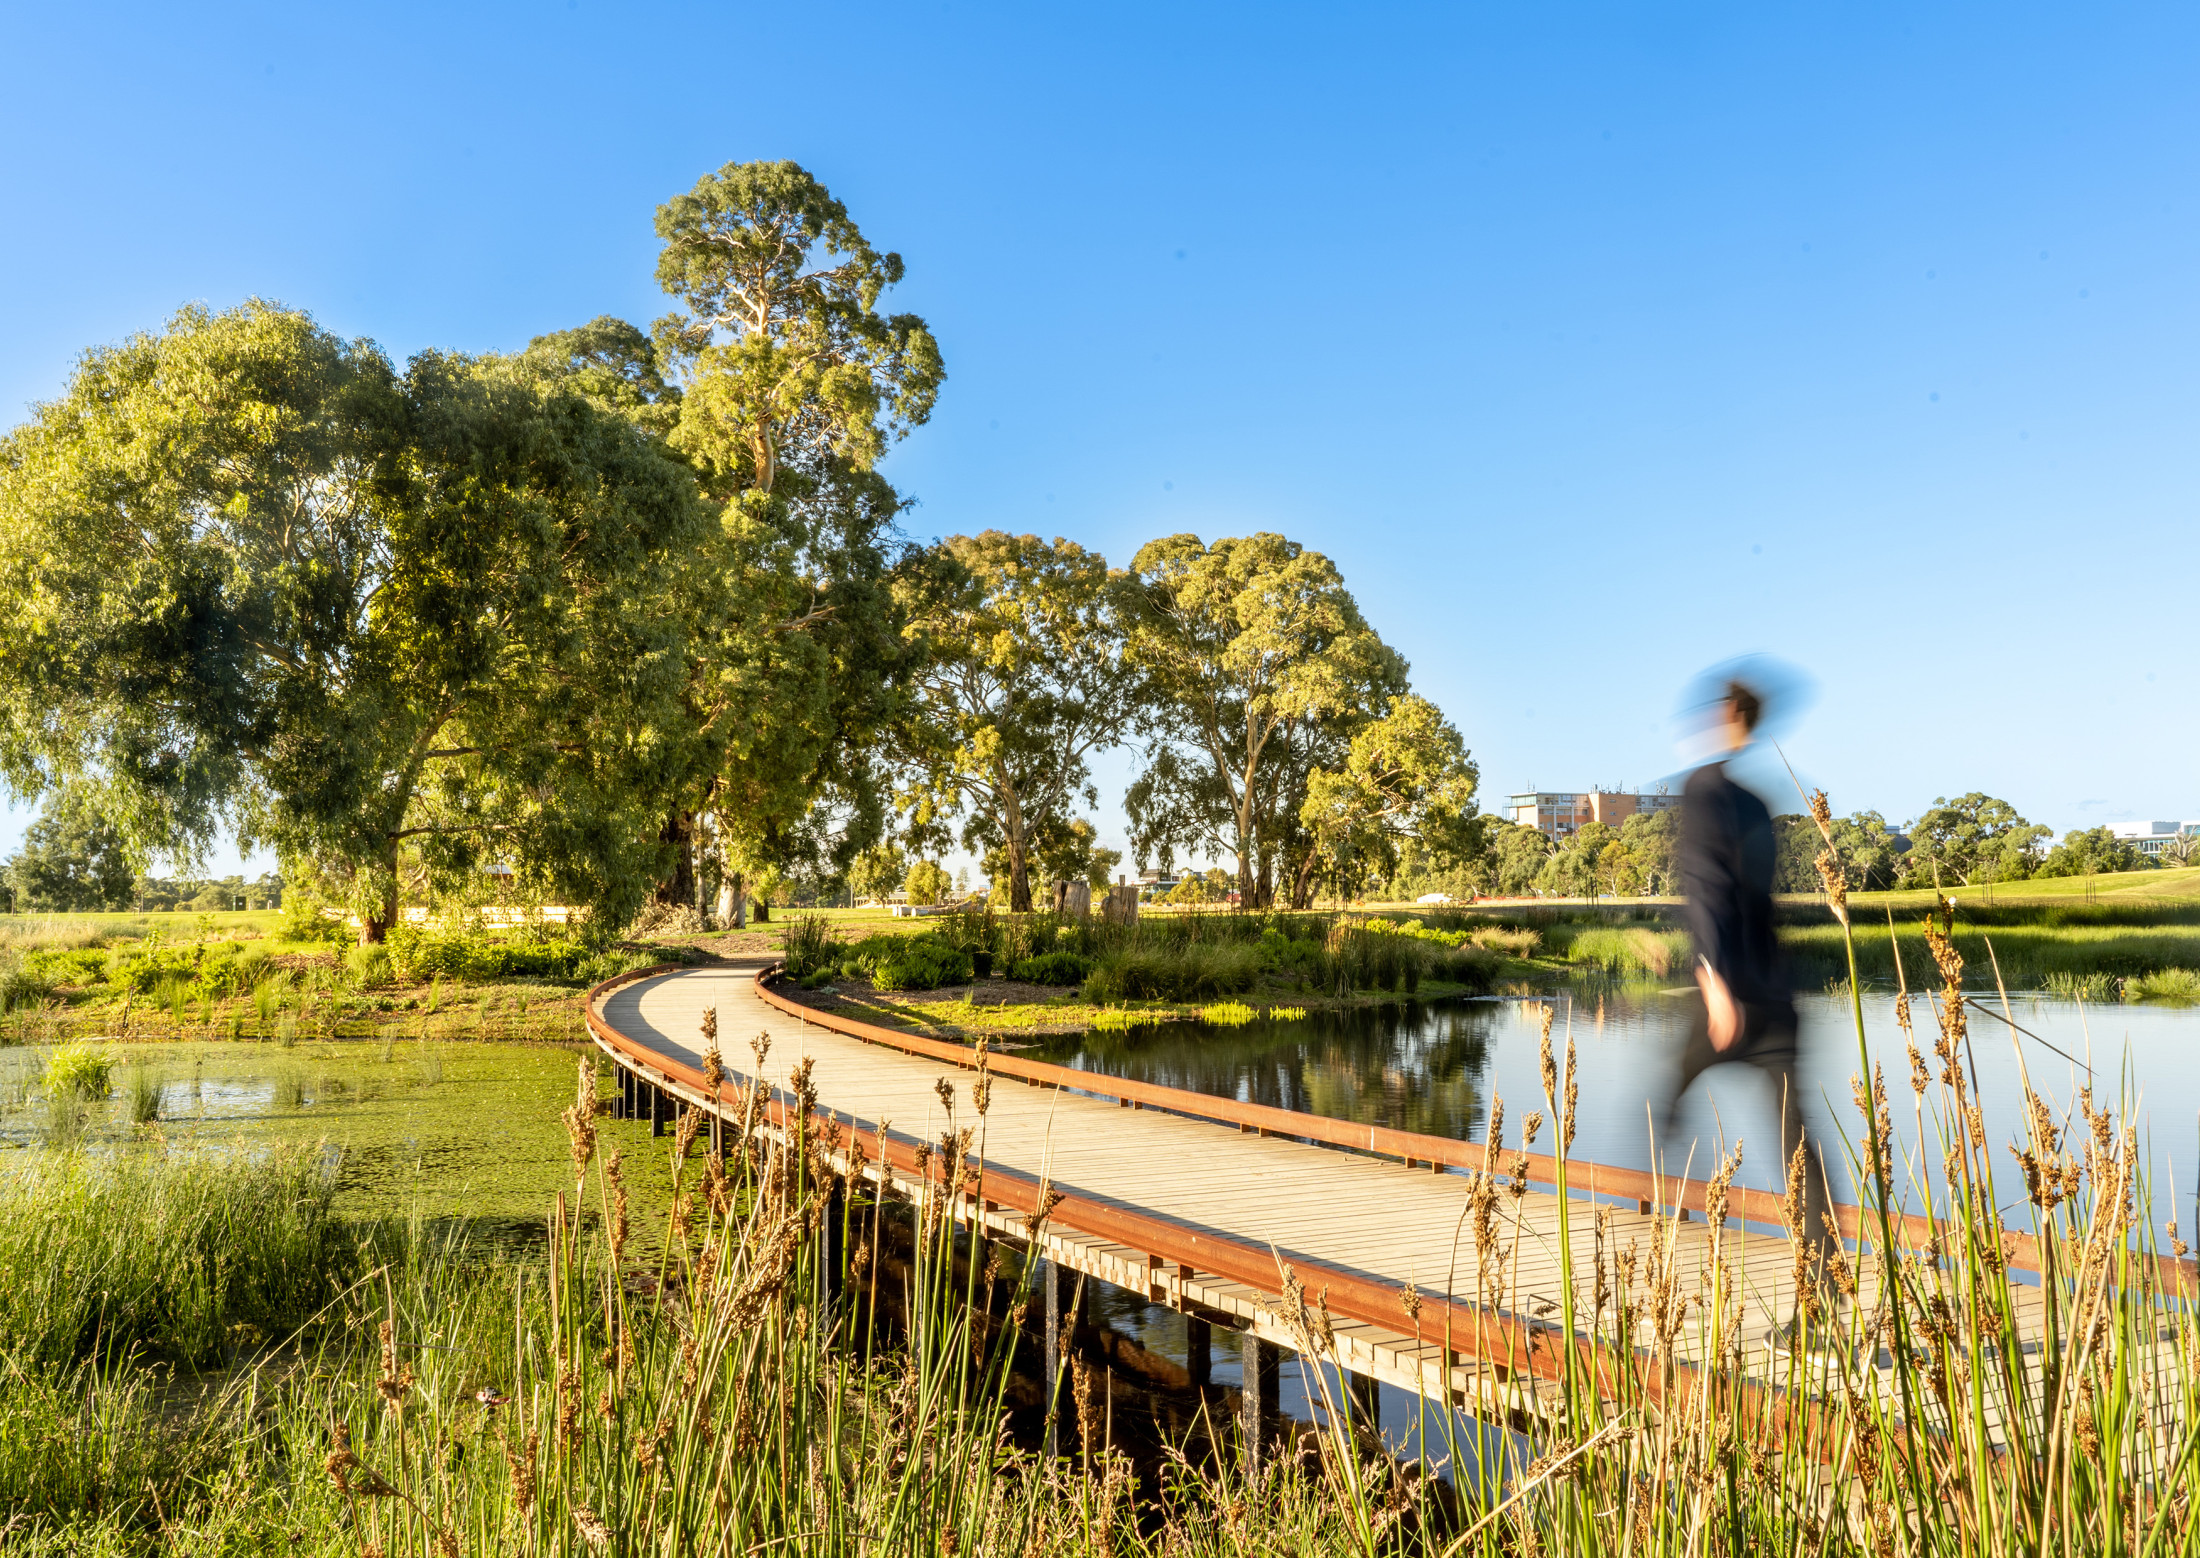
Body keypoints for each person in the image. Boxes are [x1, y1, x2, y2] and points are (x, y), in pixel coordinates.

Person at [1663, 676, 1836, 1329]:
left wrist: (1712, 984)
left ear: (1727, 714)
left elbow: (1706, 891)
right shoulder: (1758, 800)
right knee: (1799, 1141)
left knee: (1665, 1096)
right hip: (1776, 992)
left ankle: (1657, 1203)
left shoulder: (1704, 791)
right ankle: (1817, 1299)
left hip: (1731, 995)